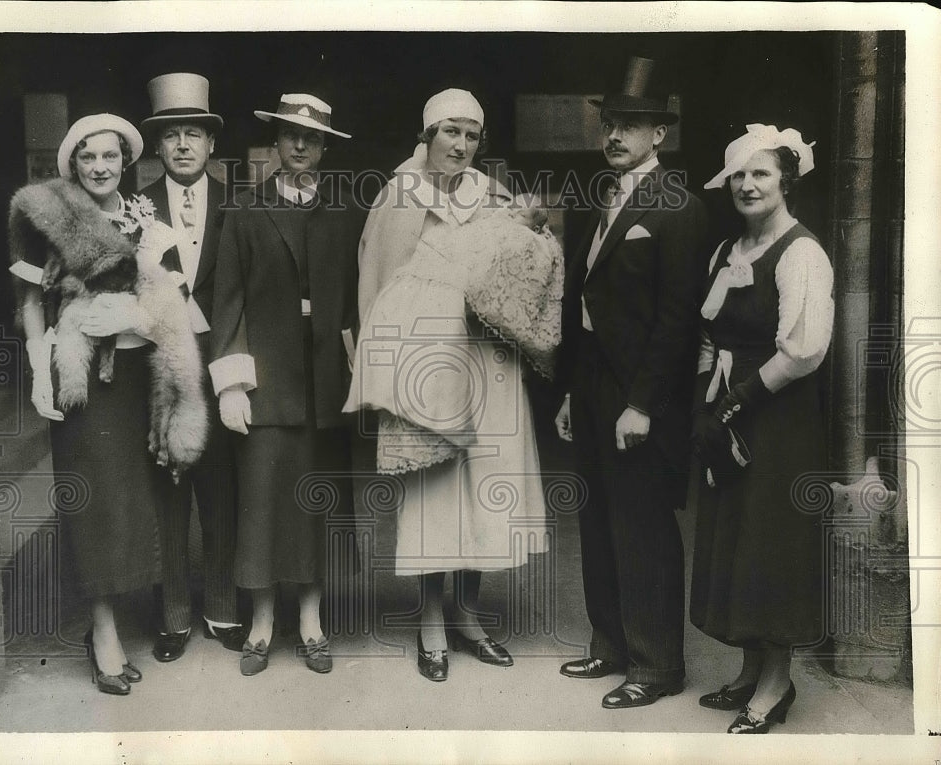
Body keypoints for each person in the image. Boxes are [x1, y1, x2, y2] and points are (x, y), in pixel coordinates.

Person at [345, 88, 555, 682]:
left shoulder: (493, 197)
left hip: (488, 362)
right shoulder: (399, 195)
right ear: (428, 135)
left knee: (485, 488)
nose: (459, 146)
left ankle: (469, 615)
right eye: (449, 133)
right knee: (435, 491)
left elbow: (520, 269)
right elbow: (376, 283)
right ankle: (431, 622)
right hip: (427, 366)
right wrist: (387, 364)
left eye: (469, 135)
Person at [8, 113, 207, 695]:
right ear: (72, 164)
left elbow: (180, 307)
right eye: (88, 158)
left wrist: (138, 317)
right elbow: (29, 303)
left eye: (111, 158)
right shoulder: (50, 219)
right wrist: (39, 374)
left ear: (126, 163)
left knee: (134, 504)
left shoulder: (148, 222)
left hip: (138, 381)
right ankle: (103, 636)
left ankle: (126, 616)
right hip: (81, 382)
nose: (100, 167)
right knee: (92, 504)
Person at [554, 57, 708, 708]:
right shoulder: (599, 199)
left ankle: (656, 664)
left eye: (631, 125)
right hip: (590, 384)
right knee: (596, 517)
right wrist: (567, 391)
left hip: (638, 395)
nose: (615, 135)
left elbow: (677, 322)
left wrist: (642, 403)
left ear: (659, 137)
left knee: (641, 523)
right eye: (610, 123)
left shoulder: (679, 206)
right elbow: (580, 300)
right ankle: (609, 644)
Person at [209, 93, 363, 676]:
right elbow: (228, 303)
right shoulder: (245, 211)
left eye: (312, 138)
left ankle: (312, 622)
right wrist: (231, 385)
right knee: (263, 508)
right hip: (266, 384)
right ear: (275, 141)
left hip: (325, 385)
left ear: (324, 148)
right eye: (290, 135)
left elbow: (357, 300)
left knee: (316, 505)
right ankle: (262, 622)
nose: (300, 146)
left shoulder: (345, 213)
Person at [690, 124, 833, 733]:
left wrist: (736, 402)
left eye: (762, 174)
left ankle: (776, 684)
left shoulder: (801, 253)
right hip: (730, 410)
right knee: (738, 538)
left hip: (778, 417)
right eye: (739, 176)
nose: (748, 186)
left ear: (786, 181)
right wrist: (707, 402)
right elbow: (711, 331)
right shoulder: (728, 250)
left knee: (772, 543)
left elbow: (803, 350)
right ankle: (751, 670)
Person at [138, 72, 244, 662]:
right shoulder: (135, 207)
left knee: (221, 488)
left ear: (211, 145)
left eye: (194, 134)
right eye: (172, 135)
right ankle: (174, 614)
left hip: (222, 362)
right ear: (158, 146)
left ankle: (222, 607)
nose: (183, 145)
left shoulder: (238, 201)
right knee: (167, 486)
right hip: (160, 367)